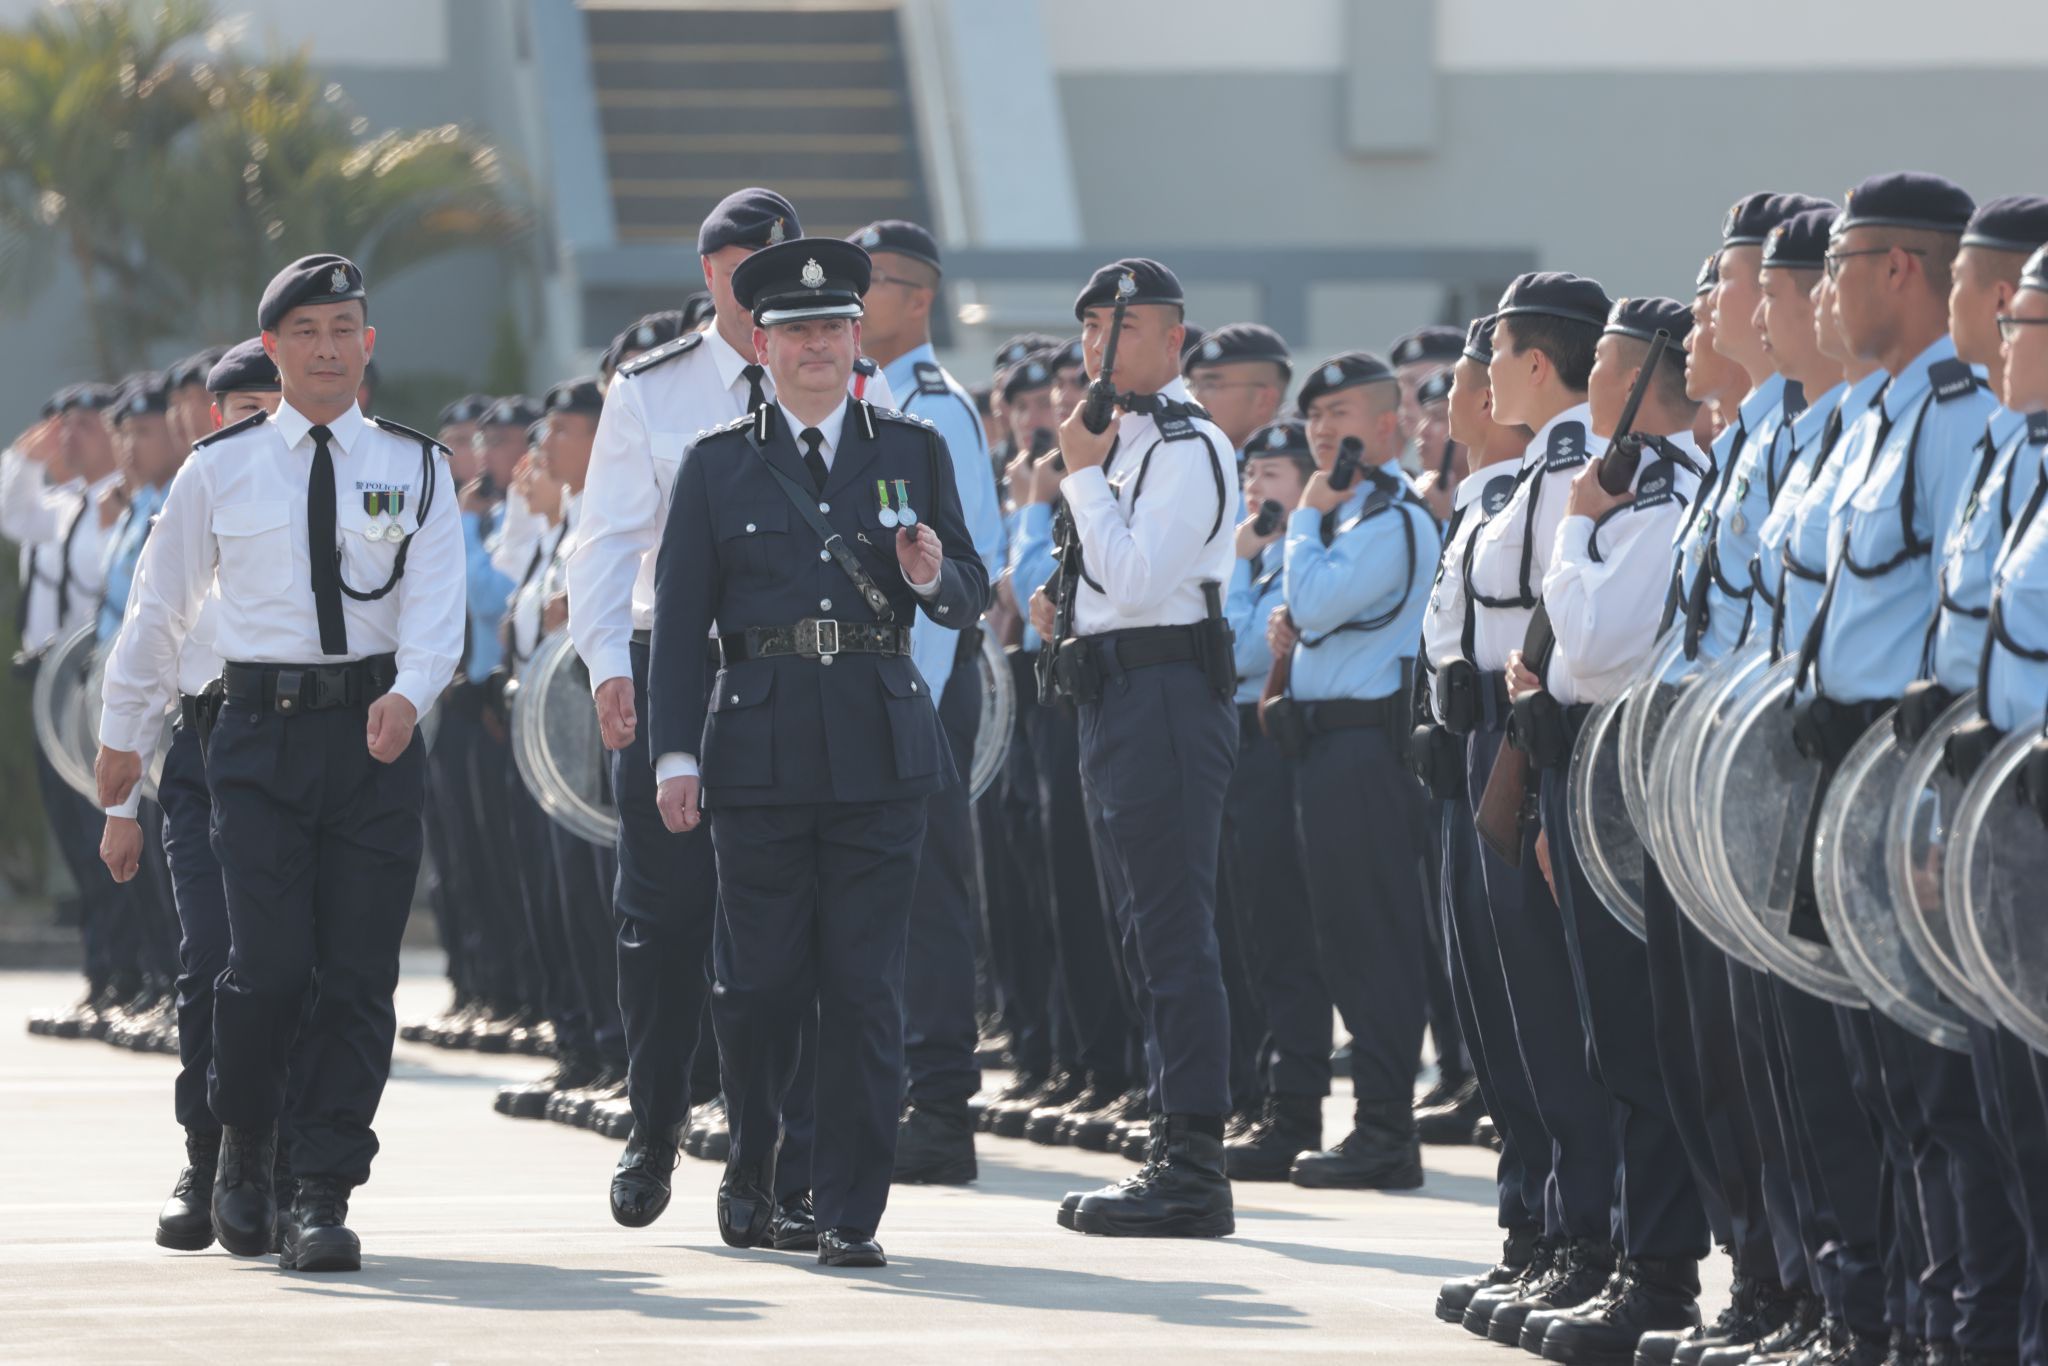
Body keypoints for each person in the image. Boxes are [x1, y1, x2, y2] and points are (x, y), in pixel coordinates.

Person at [96, 254, 464, 1272]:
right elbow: (158, 612)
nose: (327, 348)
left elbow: (437, 610)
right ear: (274, 348)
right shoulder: (218, 468)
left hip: (370, 739)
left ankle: (321, 1188)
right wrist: (122, 743)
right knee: (257, 969)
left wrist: (410, 690)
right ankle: (242, 1144)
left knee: (356, 975)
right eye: (305, 332)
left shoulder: (415, 465)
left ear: (368, 343)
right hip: (253, 738)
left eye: (343, 327)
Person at [646, 234, 986, 1268]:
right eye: (797, 332)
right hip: (756, 750)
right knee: (759, 986)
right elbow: (678, 624)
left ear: (854, 339)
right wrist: (673, 756)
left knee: (862, 984)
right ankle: (757, 1157)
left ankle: (846, 1207)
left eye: (834, 328)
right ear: (761, 343)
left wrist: (931, 578)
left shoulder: (910, 450)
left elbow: (967, 589)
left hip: (881, 750)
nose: (819, 347)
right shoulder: (715, 465)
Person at [569, 187, 894, 1235]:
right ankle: (655, 1122)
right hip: (677, 663)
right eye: (737, 259)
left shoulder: (849, 384)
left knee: (787, 939)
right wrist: (604, 659)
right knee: (661, 919)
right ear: (711, 276)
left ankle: (771, 1160)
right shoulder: (652, 390)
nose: (755, 275)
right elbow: (608, 538)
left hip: (802, 684)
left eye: (774, 255)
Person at [1800, 171, 2025, 1362]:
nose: (1825, 290)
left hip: (1943, 788)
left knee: (1949, 1086)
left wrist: (1938, 803)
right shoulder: (1885, 416)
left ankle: (1963, 1330)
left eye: (1838, 262)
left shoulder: (1959, 425)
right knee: (1880, 1080)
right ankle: (1892, 1318)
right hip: (1847, 780)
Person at [1504, 295, 1714, 1362]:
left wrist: (1577, 528)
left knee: (1640, 1038)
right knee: (1607, 1035)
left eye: (1602, 372)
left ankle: (1659, 1271)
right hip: (1586, 768)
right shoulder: (1624, 484)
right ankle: (1637, 1256)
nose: (1585, 388)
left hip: (1635, 766)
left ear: (1640, 384)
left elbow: (1592, 650)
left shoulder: (1654, 493)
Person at [1029, 258, 1240, 1238]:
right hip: (1114, 692)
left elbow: (1143, 575)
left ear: (1170, 342)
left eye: (1115, 335)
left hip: (1161, 694)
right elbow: (1110, 580)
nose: (1094, 354)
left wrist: (1076, 474)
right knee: (1134, 929)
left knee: (1167, 928)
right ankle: (1169, 1131)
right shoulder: (1122, 441)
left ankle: (1193, 1159)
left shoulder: (1187, 444)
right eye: (1086, 337)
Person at [1431, 272, 1623, 1343]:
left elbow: (1546, 612)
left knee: (1548, 1006)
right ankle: (1536, 1225)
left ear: (1536, 363)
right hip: (1479, 740)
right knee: (1502, 1011)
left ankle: (1578, 1229)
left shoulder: (1560, 466)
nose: (1482, 373)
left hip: (1528, 742)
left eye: (1495, 353)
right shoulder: (1508, 476)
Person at [97, 338, 285, 1253]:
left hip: (301, 757)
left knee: (298, 966)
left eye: (271, 407)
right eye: (243, 409)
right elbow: (145, 641)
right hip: (205, 758)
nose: (258, 423)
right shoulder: (194, 498)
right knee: (209, 956)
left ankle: (281, 1161)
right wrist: (120, 803)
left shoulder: (323, 499)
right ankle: (204, 1149)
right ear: (216, 418)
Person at [847, 217, 1005, 1184]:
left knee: (929, 900)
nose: (852, 307)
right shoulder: (862, 401)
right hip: (874, 691)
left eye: (871, 286)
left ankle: (942, 1108)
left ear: (918, 299)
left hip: (921, 690)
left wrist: (912, 696)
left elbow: (958, 573)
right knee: (880, 900)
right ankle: (898, 1089)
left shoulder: (933, 409)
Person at [1259, 351, 1438, 1191]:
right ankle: (1367, 1123)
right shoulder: (1344, 519)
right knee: (1336, 940)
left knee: (1374, 942)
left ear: (1388, 426)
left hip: (1369, 748)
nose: (1326, 432)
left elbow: (1319, 604)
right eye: (1316, 419)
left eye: (1343, 417)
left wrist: (1302, 521)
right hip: (1323, 746)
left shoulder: (1389, 519)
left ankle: (1385, 1132)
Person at [1218, 419, 1317, 1179]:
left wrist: (1241, 568)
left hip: (1277, 742)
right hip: (1233, 739)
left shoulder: (1294, 559)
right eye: (1251, 477)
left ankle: (1292, 1106)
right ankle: (1249, 1095)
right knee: (1239, 930)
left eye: (1274, 476)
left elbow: (1240, 651)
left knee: (1282, 935)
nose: (1257, 490)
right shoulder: (1246, 561)